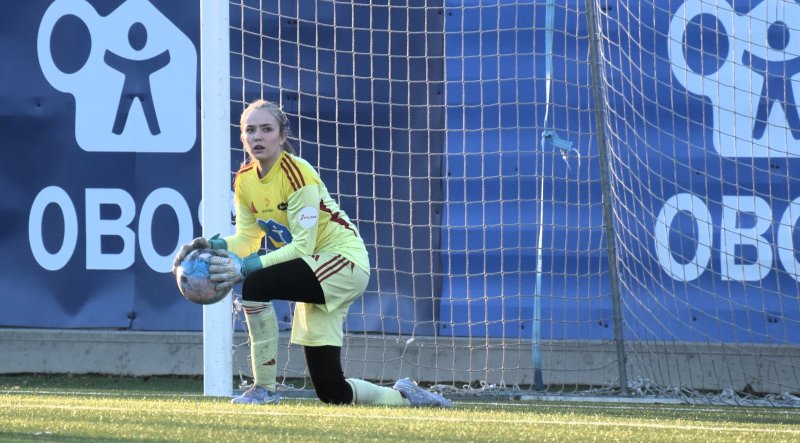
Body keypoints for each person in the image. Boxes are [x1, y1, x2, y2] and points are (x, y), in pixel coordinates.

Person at [172, 99, 451, 408]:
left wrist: (249, 267)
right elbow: (248, 238)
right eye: (250, 130)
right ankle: (407, 396)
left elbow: (301, 246)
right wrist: (215, 246)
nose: (258, 137)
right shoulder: (245, 180)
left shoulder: (297, 173)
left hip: (343, 261)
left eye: (267, 129)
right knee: (333, 392)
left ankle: (263, 388)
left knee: (256, 285)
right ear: (242, 137)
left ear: (281, 136)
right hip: (313, 269)